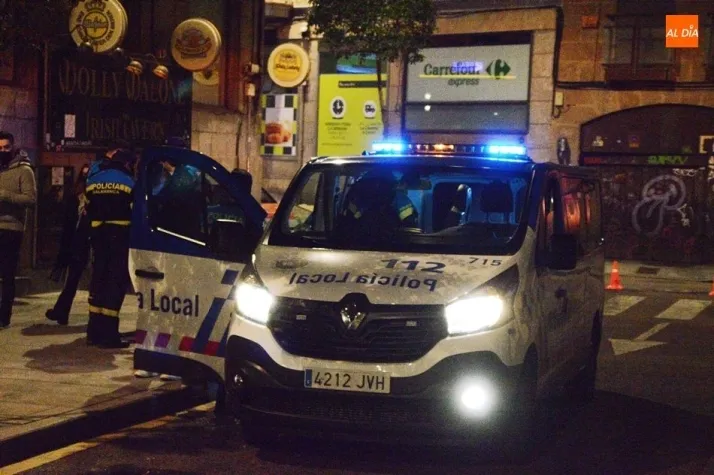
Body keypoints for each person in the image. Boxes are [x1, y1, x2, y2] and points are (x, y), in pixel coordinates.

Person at [84, 148, 135, 348]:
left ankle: (93, 332)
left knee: (98, 281)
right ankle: (109, 335)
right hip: (119, 237)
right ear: (127, 164)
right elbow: (136, 210)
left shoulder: (94, 179)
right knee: (115, 283)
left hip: (98, 236)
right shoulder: (129, 181)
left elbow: (87, 207)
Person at [45, 165, 91, 325]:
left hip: (89, 242)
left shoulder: (94, 198)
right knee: (72, 279)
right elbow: (68, 223)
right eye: (83, 177)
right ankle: (61, 311)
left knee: (88, 281)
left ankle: (64, 311)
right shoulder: (75, 198)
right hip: (77, 243)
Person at [0, 131, 37, 328]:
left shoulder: (24, 170)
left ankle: (3, 316)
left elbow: (30, 199)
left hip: (11, 228)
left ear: (13, 147)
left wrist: (5, 195)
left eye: (6, 147)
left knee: (7, 275)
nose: (3, 151)